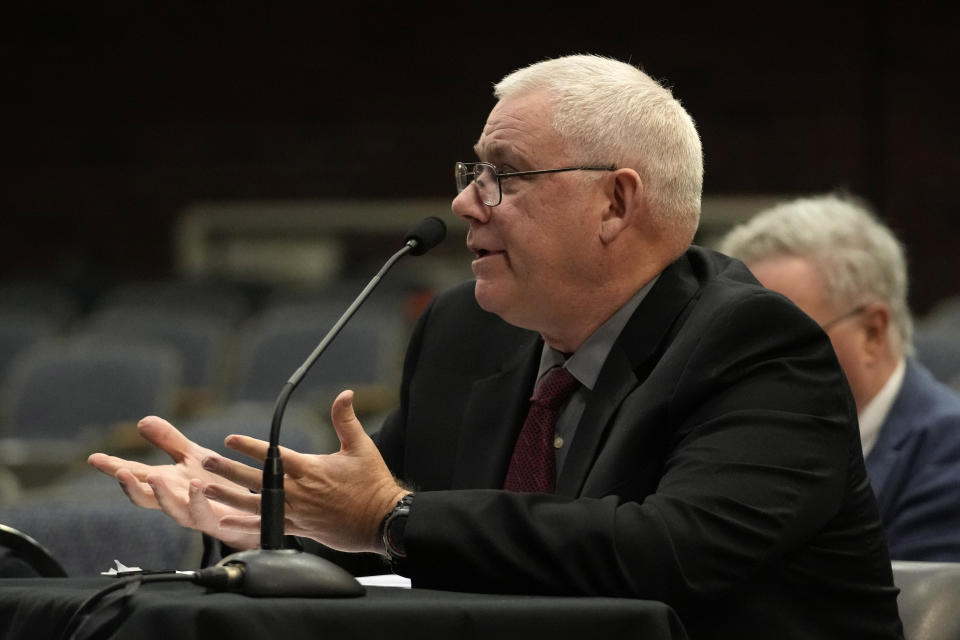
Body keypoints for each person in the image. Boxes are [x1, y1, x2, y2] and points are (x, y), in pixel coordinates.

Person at [89, 55, 903, 639]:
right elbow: (394, 526)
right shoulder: (463, 334)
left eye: (502, 175)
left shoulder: (757, 347)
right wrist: (269, 526)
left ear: (616, 202)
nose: (463, 202)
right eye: (471, 171)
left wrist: (388, 518)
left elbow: (669, 555)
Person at [719, 193, 960, 561]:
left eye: (783, 339)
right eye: (741, 341)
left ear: (872, 333)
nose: (750, 366)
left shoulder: (950, 453)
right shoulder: (731, 442)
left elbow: (913, 613)